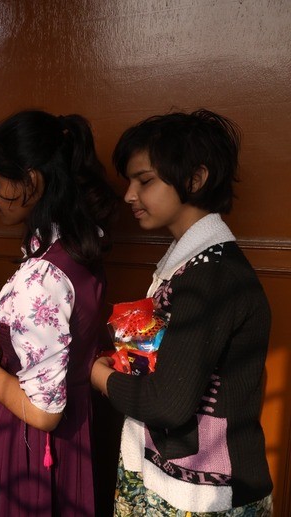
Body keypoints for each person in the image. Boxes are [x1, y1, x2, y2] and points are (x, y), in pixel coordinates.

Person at [90, 109, 273, 515]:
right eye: (129, 182)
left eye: (145, 180)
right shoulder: (191, 266)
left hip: (205, 494)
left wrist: (100, 377)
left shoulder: (211, 278)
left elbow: (169, 404)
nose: (129, 195)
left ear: (196, 178)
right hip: (177, 476)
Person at [0, 110, 119, 516]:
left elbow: (43, 413)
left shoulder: (42, 277)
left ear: (32, 181)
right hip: (73, 431)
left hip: (31, 444)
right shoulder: (76, 244)